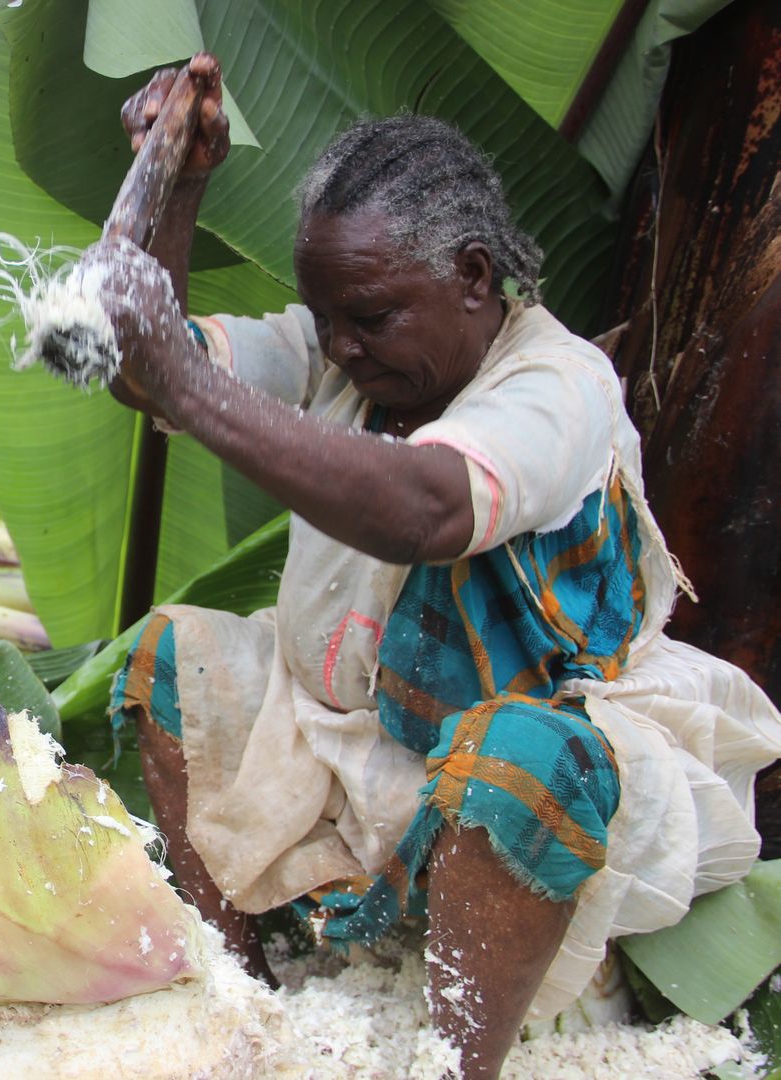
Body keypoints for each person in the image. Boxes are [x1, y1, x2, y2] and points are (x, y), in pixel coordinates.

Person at [96, 55, 781, 1078]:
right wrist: (179, 187)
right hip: (345, 737)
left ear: (471, 275)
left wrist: (187, 389)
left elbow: (425, 507)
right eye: (326, 315)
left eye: (369, 316)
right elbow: (153, 368)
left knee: (519, 759)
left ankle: (462, 1061)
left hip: (535, 776)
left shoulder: (558, 383)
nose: (340, 344)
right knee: (170, 661)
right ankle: (243, 1000)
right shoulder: (339, 350)